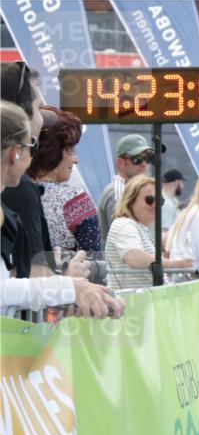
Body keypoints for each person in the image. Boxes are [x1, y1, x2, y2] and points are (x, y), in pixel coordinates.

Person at [1, 101, 122, 319]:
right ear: (15, 153)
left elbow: (13, 279)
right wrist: (67, 286)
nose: (76, 159)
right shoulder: (36, 193)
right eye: (31, 144)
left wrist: (64, 287)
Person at [28, 107, 102, 255]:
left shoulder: (10, 192)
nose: (76, 160)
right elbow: (94, 261)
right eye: (71, 150)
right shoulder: (77, 202)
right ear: (53, 151)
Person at [0, 61, 50, 277]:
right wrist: (68, 281)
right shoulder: (20, 187)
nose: (42, 119)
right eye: (38, 108)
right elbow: (33, 275)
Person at [106, 175, 192, 289]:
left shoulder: (138, 227)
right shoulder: (124, 225)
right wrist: (175, 264)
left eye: (160, 201)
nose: (155, 205)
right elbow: (134, 258)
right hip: (132, 299)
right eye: (150, 200)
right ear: (130, 201)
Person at [97, 134, 153, 241]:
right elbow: (123, 239)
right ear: (121, 163)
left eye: (147, 158)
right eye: (137, 159)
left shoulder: (137, 190)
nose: (144, 164)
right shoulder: (118, 192)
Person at [160, 168, 185, 234]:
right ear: (176, 182)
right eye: (181, 183)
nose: (183, 186)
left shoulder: (172, 202)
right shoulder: (166, 204)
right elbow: (165, 232)